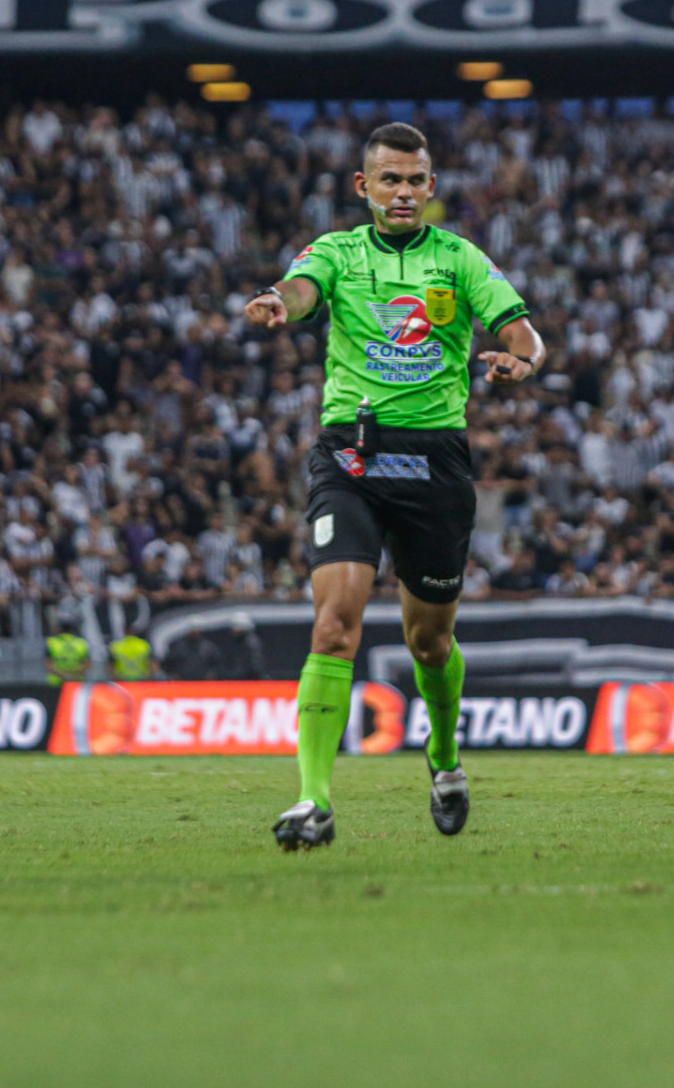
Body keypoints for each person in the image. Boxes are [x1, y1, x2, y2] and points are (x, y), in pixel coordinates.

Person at [243, 121, 543, 850]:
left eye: (415, 181)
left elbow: (521, 328)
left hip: (435, 461)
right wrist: (280, 302)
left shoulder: (460, 258)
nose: (403, 193)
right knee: (333, 625)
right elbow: (302, 286)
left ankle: (443, 756)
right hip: (350, 454)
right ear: (364, 186)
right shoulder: (339, 252)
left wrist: (522, 359)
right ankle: (313, 797)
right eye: (390, 180)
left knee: (430, 642)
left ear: (430, 187)